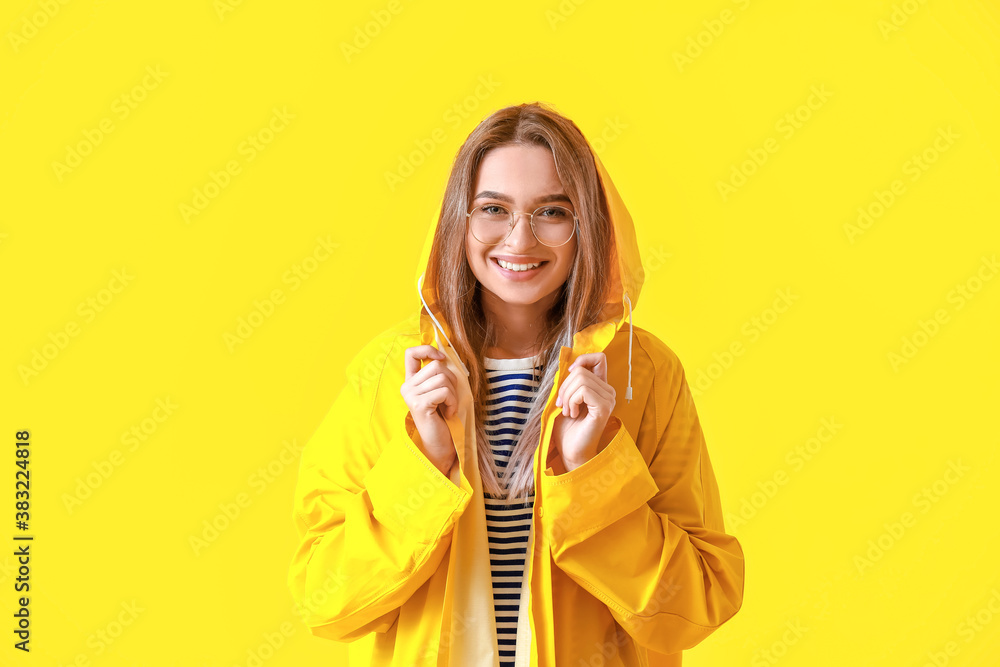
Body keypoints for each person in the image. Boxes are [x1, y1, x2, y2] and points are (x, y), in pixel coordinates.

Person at [287, 101, 745, 667]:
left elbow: (698, 602)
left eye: (552, 211)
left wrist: (590, 475)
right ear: (460, 220)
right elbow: (327, 602)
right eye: (493, 209)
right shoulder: (393, 372)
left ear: (588, 227)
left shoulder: (643, 373)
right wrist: (424, 465)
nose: (519, 239)